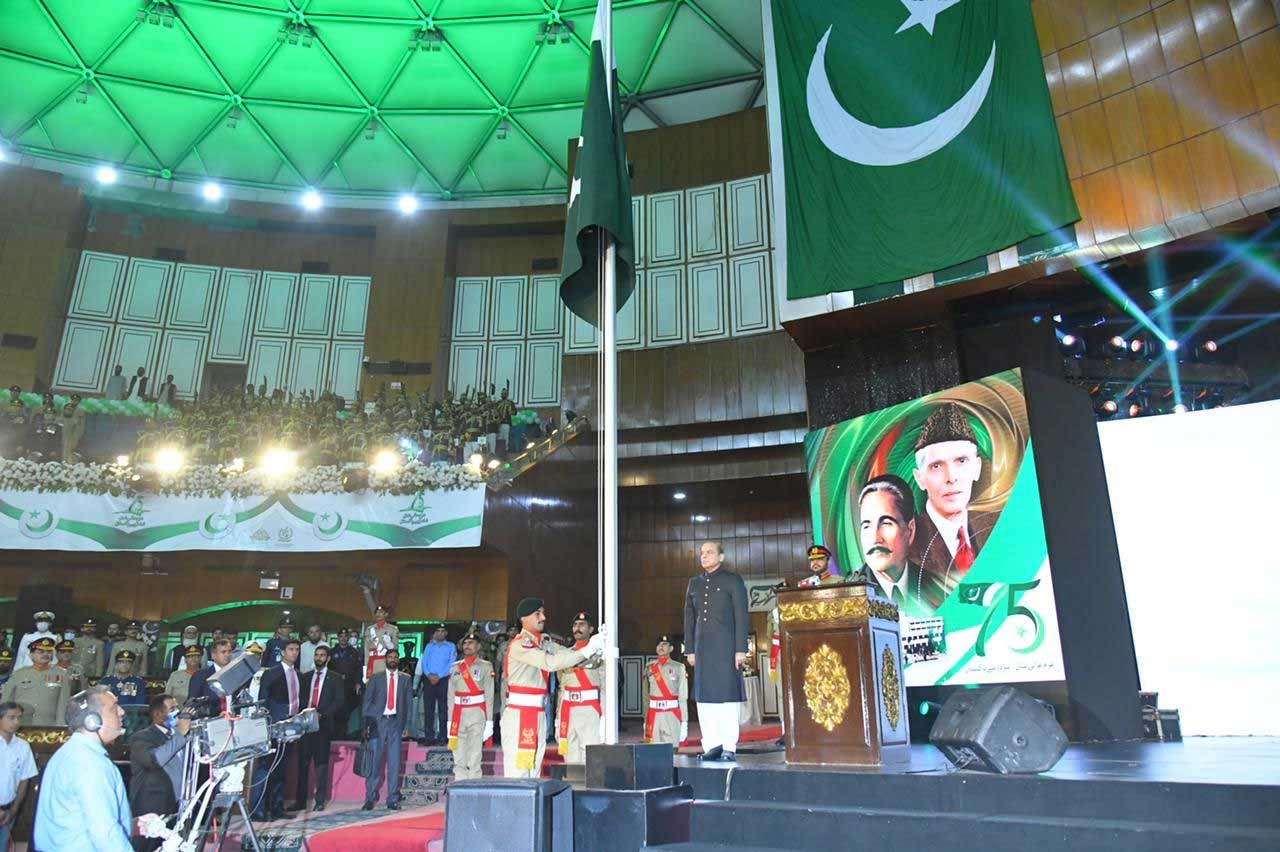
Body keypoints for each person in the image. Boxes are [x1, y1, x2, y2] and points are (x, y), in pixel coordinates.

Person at [502, 598, 605, 777]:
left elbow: (569, 654)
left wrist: (598, 646)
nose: (543, 617)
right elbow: (551, 663)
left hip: (538, 713)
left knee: (533, 770)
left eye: (543, 612)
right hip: (520, 714)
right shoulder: (520, 645)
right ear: (523, 619)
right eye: (537, 614)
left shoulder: (544, 643)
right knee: (518, 773)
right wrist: (589, 649)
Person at [908, 402, 996, 598]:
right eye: (936, 466)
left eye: (962, 461)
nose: (951, 477)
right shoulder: (907, 545)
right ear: (919, 478)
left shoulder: (999, 527)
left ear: (977, 468)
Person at [34, 686, 133, 851]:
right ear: (92, 721)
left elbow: (77, 815)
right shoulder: (90, 764)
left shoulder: (70, 752)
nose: (122, 712)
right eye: (114, 708)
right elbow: (104, 834)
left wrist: (132, 824)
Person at [683, 541, 748, 762]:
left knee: (728, 698)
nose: (704, 556)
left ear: (721, 556)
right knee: (704, 699)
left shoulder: (733, 580)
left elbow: (741, 616)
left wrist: (741, 649)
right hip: (702, 649)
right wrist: (689, 649)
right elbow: (689, 618)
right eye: (702, 553)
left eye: (710, 552)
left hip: (728, 648)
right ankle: (712, 745)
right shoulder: (694, 583)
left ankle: (729, 745)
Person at [859, 474, 945, 614]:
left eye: (886, 523)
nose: (875, 538)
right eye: (866, 526)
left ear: (910, 531)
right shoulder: (850, 596)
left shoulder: (935, 587)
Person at [127, 694, 190, 852]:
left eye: (177, 707)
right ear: (157, 714)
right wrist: (180, 735)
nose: (178, 712)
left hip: (179, 805)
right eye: (172, 709)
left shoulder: (182, 735)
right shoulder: (141, 737)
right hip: (152, 807)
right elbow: (154, 760)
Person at [253, 637, 302, 820]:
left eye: (297, 649)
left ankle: (277, 807)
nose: (294, 653)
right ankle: (259, 809)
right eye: (291, 649)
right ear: (282, 652)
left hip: (290, 727)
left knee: (282, 769)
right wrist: (265, 726)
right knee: (267, 770)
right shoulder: (271, 673)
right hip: (272, 727)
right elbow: (263, 702)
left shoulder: (297, 674)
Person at [293, 643, 343, 812]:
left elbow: (339, 701)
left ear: (328, 658)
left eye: (322, 655)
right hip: (305, 725)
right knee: (303, 764)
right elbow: (299, 699)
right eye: (316, 655)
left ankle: (319, 800)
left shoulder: (335, 678)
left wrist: (323, 714)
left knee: (321, 764)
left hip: (323, 725)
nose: (318, 658)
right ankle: (300, 801)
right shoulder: (306, 677)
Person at [361, 647, 410, 811]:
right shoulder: (376, 678)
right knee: (374, 762)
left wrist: (407, 726)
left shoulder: (405, 679)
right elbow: (366, 703)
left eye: (396, 657)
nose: (393, 659)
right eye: (390, 657)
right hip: (378, 723)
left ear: (398, 660)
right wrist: (367, 724)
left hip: (396, 723)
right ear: (385, 659)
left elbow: (408, 704)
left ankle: (392, 799)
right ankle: (370, 797)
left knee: (394, 763)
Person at [556, 612, 603, 763]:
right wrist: (558, 717)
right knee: (569, 754)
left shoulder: (600, 654)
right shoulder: (565, 654)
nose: (577, 628)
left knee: (591, 754)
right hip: (567, 709)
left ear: (591, 629)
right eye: (575, 625)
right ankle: (573, 785)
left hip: (590, 709)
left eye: (582, 625)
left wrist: (605, 717)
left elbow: (606, 686)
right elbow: (561, 687)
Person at [447, 632, 493, 781]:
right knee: (458, 752)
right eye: (465, 643)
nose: (467, 646)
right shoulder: (455, 667)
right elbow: (450, 695)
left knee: (475, 753)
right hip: (458, 714)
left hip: (477, 713)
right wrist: (449, 720)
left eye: (471, 643)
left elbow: (489, 694)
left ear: (478, 646)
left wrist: (490, 721)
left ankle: (474, 782)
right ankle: (459, 781)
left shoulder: (486, 666)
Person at [2, 637, 73, 725]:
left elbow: (63, 704)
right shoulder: (19, 674)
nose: (46, 654)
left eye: (49, 651)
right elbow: (6, 701)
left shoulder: (62, 675)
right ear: (31, 655)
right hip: (20, 725)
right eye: (41, 652)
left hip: (47, 726)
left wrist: (60, 726)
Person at [0, 701, 37, 850]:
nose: (16, 722)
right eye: (11, 717)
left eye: (19, 717)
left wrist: (14, 810)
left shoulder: (23, 746)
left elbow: (24, 779)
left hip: (9, 811)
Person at [414, 624, 455, 746]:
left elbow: (451, 664)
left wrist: (439, 676)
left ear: (446, 633)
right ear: (435, 633)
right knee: (428, 710)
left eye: (443, 631)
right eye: (438, 631)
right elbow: (424, 662)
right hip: (429, 679)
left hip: (443, 680)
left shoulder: (451, 646)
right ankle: (429, 737)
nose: (440, 633)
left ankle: (442, 737)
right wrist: (429, 675)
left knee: (443, 709)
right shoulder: (429, 646)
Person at [644, 636, 688, 746]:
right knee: (653, 751)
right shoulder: (649, 667)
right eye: (658, 644)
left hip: (671, 713)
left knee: (672, 751)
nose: (661, 647)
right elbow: (645, 695)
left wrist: (684, 722)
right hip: (654, 714)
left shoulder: (679, 667)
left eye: (664, 644)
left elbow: (683, 696)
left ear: (671, 648)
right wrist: (645, 718)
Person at [328, 628, 361, 737]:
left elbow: (358, 669)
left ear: (348, 637)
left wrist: (358, 683)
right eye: (341, 636)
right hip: (335, 686)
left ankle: (345, 733)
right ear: (338, 637)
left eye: (345, 636)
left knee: (347, 710)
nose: (343, 638)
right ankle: (335, 734)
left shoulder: (354, 652)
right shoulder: (332, 652)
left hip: (349, 685)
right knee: (335, 710)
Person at [187, 638, 233, 713]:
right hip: (211, 719)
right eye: (223, 652)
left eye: (229, 652)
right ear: (213, 655)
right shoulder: (201, 676)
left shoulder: (236, 674)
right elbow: (193, 702)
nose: (227, 655)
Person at [363, 604, 399, 682]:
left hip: (385, 663)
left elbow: (396, 650)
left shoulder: (392, 629)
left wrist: (389, 644)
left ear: (386, 614)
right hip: (372, 663)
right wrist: (365, 669)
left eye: (381, 612)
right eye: (376, 612)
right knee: (371, 688)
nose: (378, 614)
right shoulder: (369, 630)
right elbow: (366, 651)